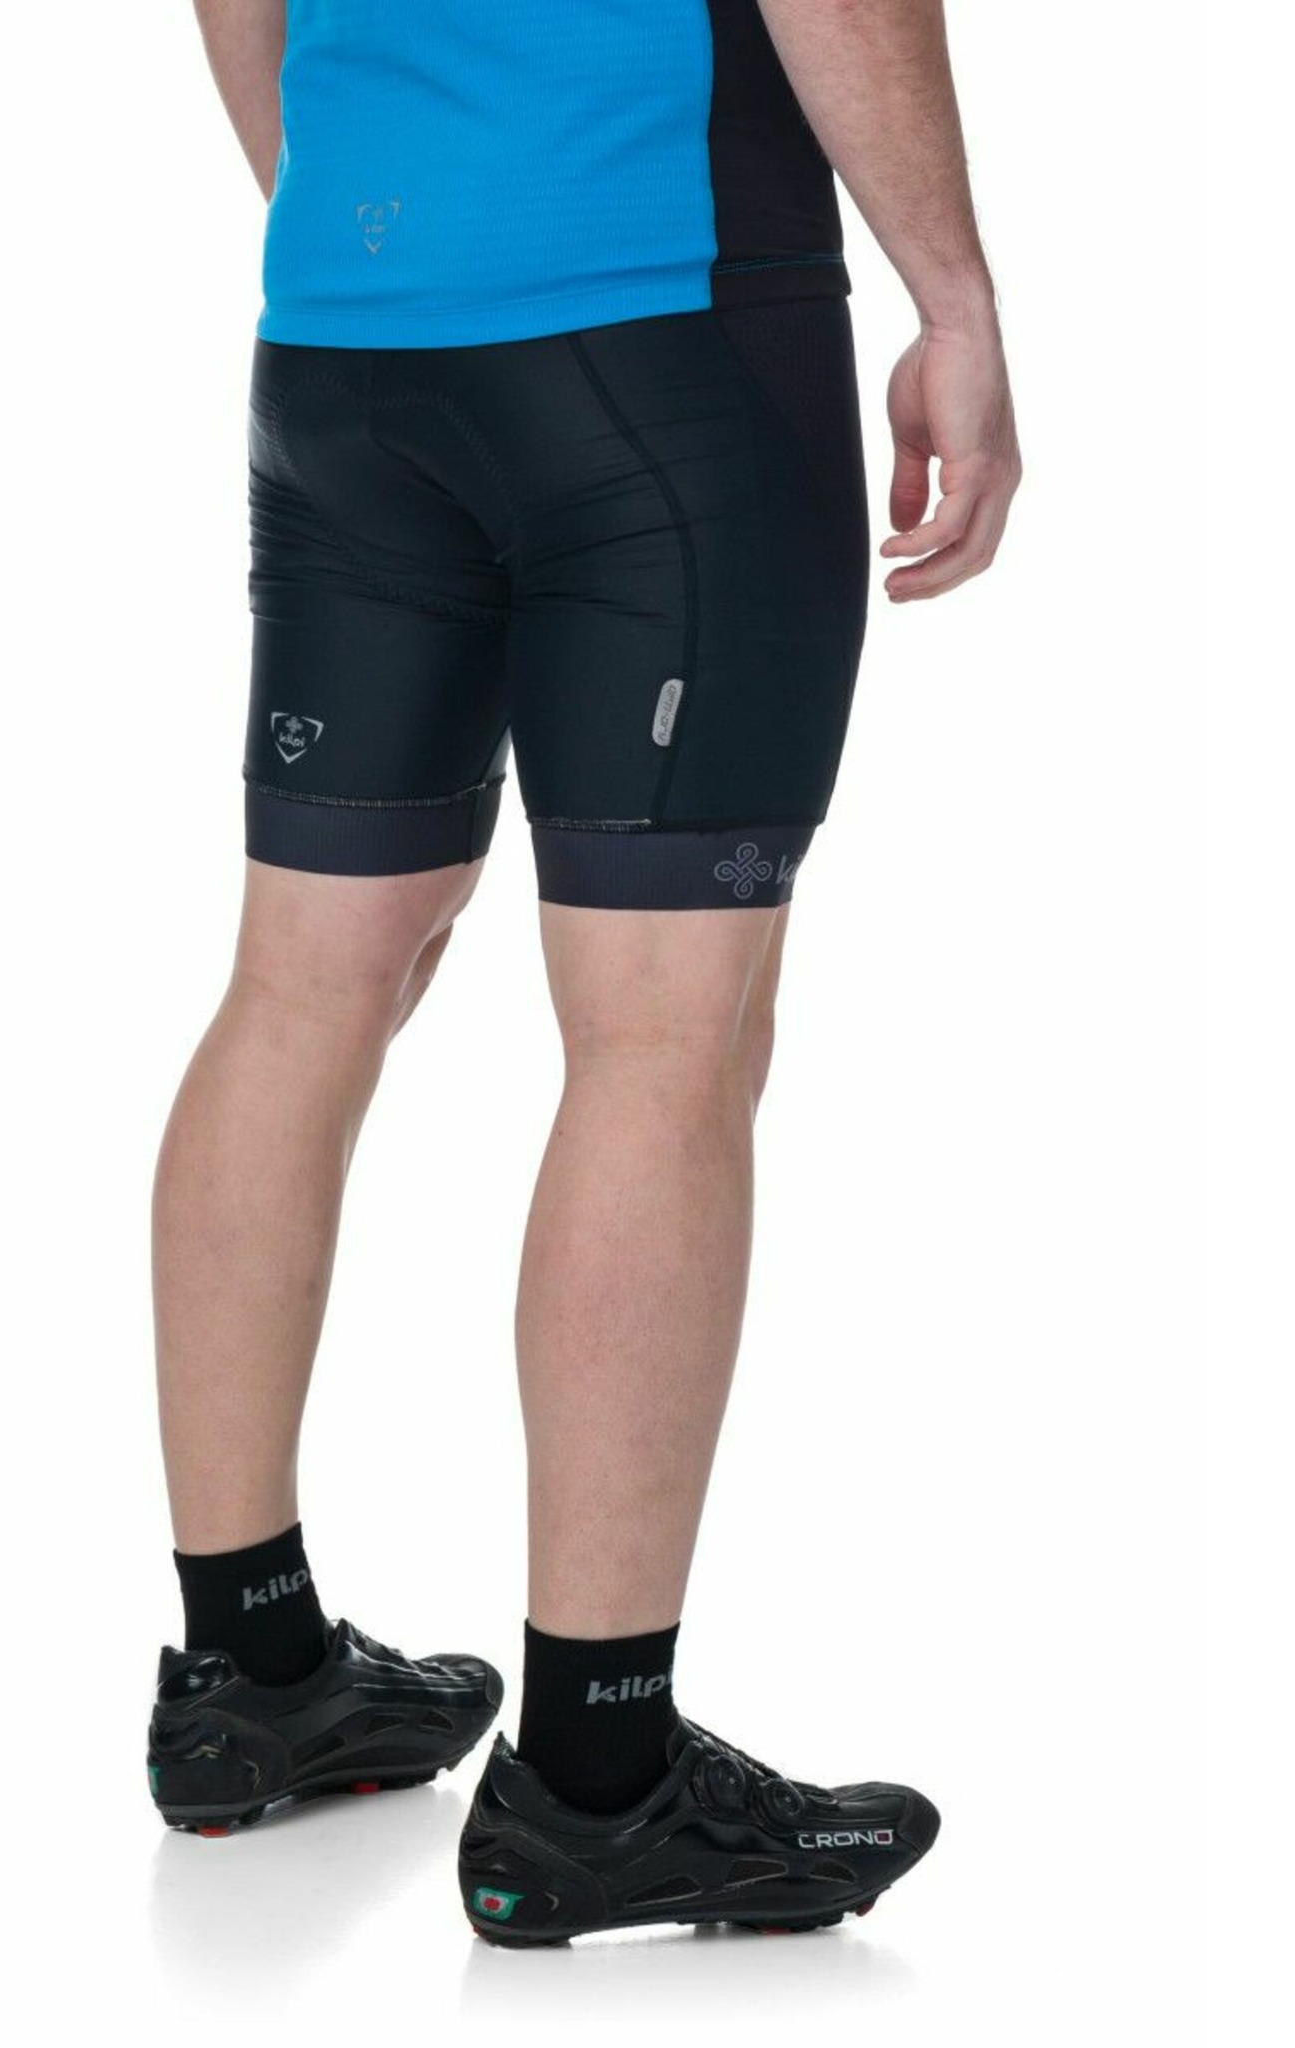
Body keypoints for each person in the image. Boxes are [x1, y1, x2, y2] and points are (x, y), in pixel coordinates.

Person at [146, 0, 1021, 1944]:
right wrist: (953, 296)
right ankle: (598, 1784)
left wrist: (367, 214)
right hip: (659, 324)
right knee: (665, 1038)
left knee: (302, 988)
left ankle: (246, 1674)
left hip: (351, 339)